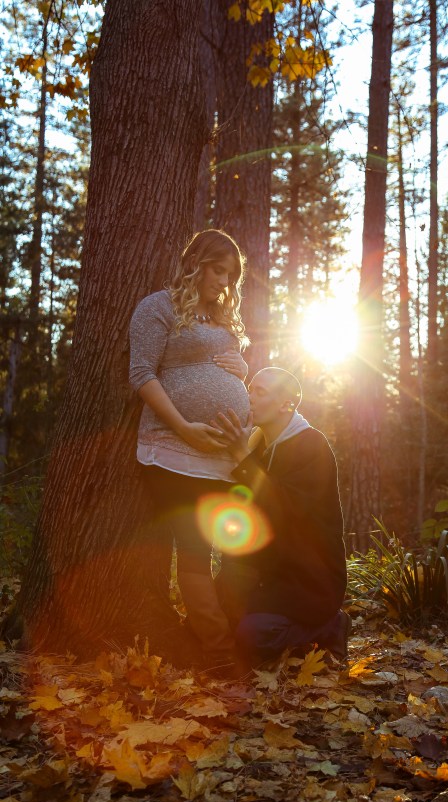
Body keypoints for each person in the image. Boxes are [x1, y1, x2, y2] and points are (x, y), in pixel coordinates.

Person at [129, 229, 250, 673]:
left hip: (226, 458)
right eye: (218, 270)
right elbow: (142, 374)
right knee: (197, 551)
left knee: (240, 550)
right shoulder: (157, 307)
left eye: (231, 275)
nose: (224, 282)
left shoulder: (223, 317)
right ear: (195, 263)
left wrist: (243, 369)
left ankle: (221, 633)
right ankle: (218, 654)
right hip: (175, 450)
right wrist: (184, 427)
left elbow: (225, 372)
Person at [212, 367, 351, 668]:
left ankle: (330, 627)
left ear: (286, 404)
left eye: (259, 391)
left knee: (253, 636)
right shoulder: (257, 444)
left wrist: (242, 457)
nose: (249, 397)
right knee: (213, 625)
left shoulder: (312, 445)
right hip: (264, 574)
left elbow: (283, 510)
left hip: (306, 578)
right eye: (249, 389)